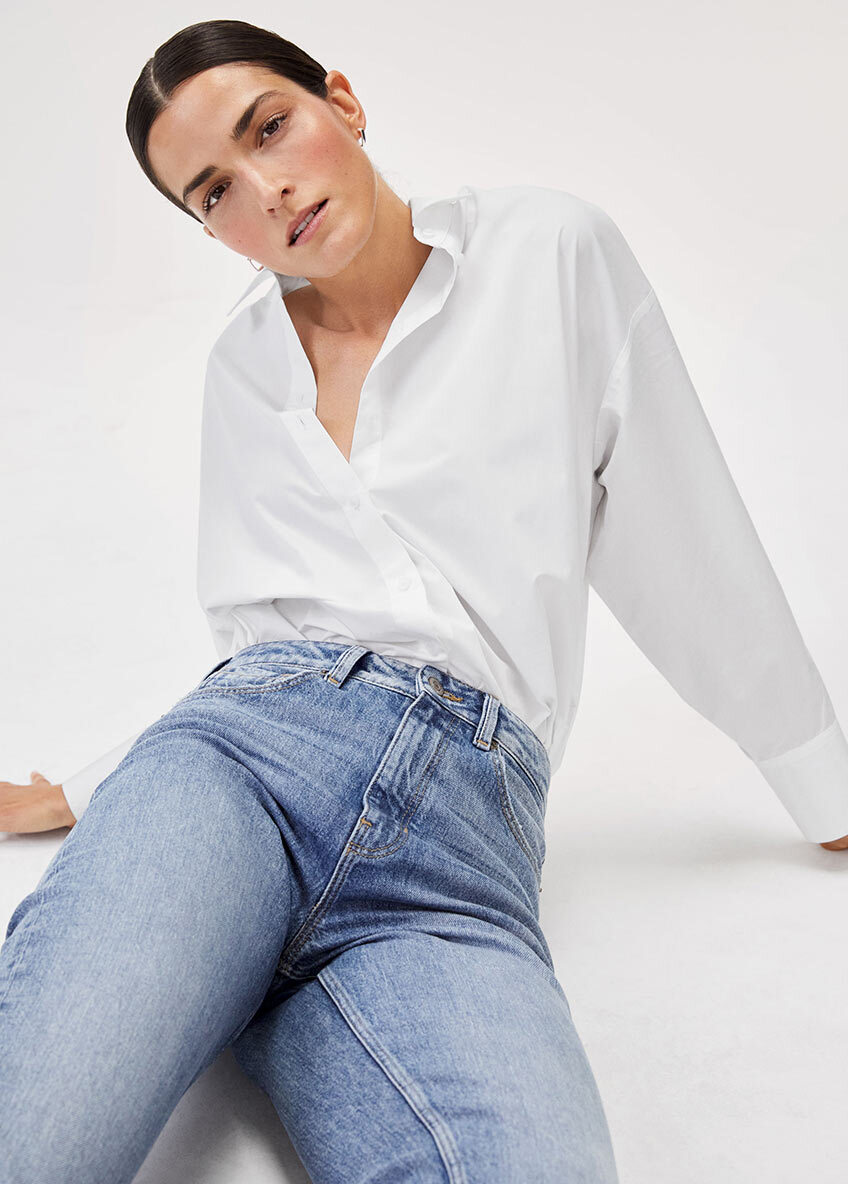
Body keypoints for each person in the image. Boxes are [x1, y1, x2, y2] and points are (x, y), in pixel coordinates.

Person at [2, 16, 847, 1184]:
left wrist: (820, 781)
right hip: (233, 777)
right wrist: (84, 787)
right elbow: (254, 643)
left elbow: (682, 530)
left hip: (457, 852)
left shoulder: (547, 251)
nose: (264, 189)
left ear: (342, 102)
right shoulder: (240, 371)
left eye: (269, 127)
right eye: (215, 191)